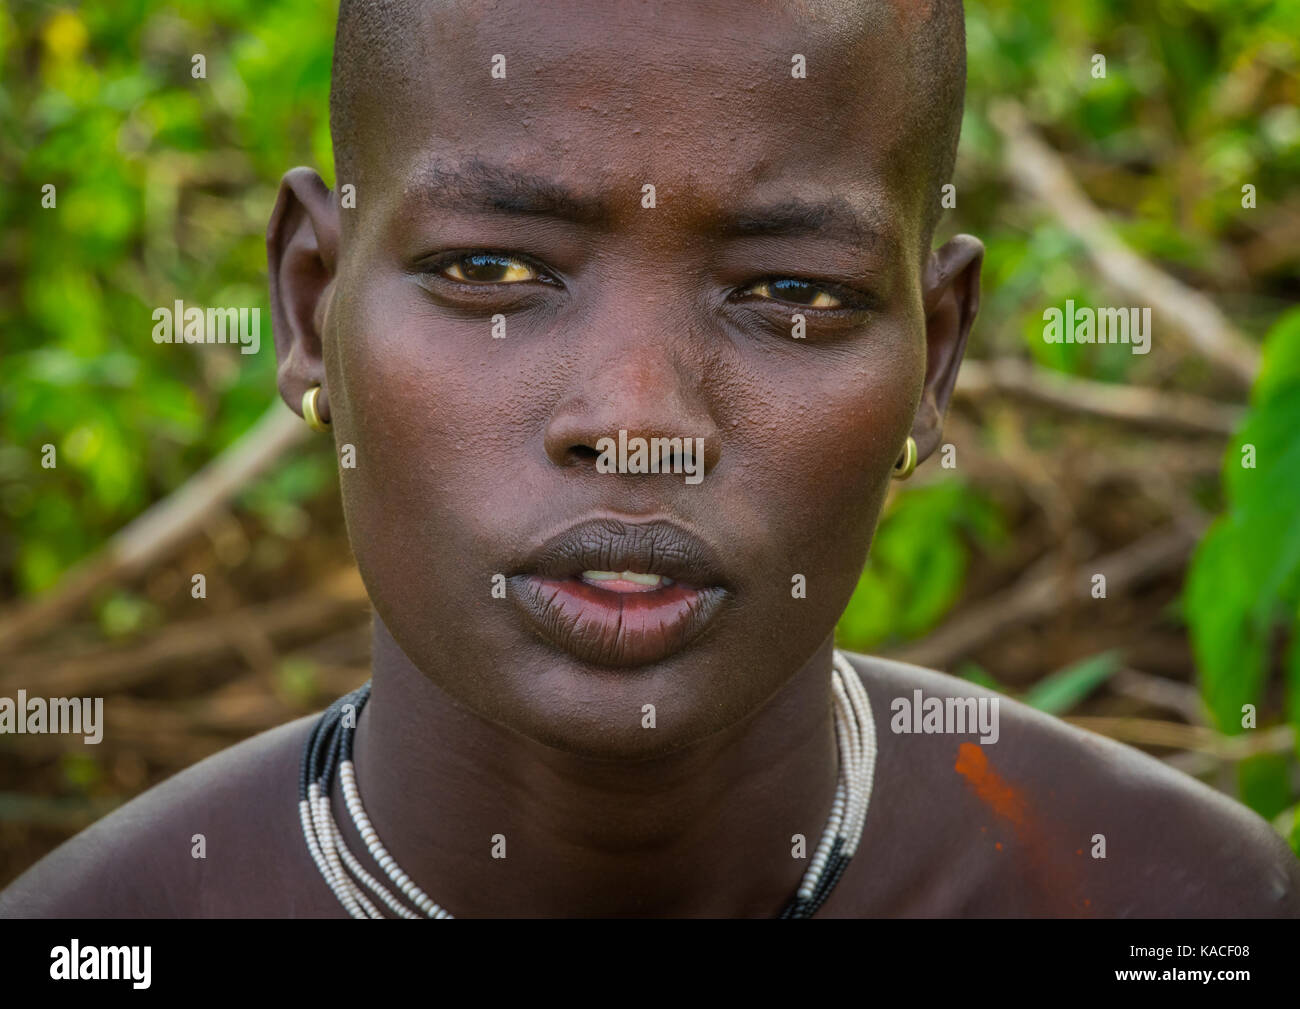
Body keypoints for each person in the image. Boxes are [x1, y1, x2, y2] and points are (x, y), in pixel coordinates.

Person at [3, 0, 1297, 918]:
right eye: (493, 271)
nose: (638, 417)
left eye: (791, 290)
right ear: (309, 309)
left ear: (936, 357)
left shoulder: (1164, 904)